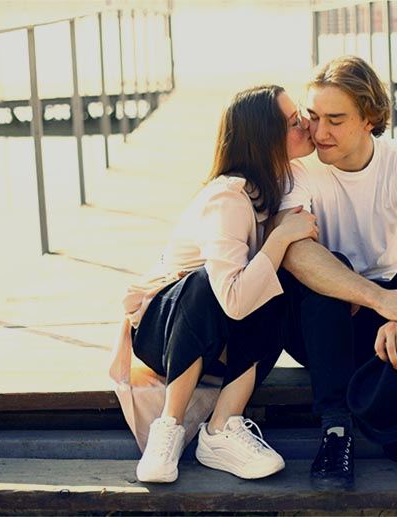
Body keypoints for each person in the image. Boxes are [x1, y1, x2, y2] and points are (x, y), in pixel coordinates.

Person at [278, 56, 397, 489]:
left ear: (370, 118)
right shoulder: (300, 169)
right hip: (322, 329)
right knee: (325, 264)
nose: (319, 132)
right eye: (313, 117)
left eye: (335, 120)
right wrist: (382, 300)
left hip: (392, 328)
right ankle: (336, 427)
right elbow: (295, 254)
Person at [121, 84, 316, 483]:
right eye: (295, 121)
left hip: (221, 337)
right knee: (208, 282)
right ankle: (169, 427)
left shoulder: (288, 177)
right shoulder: (228, 196)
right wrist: (280, 238)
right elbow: (232, 300)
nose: (307, 125)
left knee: (276, 282)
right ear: (265, 139)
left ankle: (221, 429)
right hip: (167, 331)